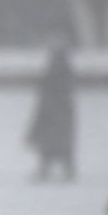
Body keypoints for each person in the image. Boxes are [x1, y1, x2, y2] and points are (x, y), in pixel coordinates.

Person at [26, 43, 77, 183]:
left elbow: (51, 91)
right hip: (57, 112)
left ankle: (56, 169)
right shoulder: (63, 74)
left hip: (54, 112)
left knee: (55, 143)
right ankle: (55, 169)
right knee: (56, 143)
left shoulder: (58, 74)